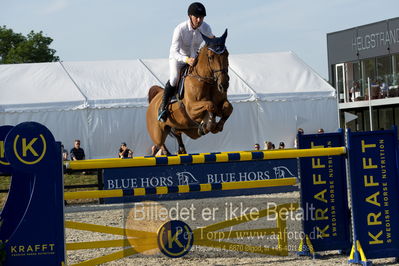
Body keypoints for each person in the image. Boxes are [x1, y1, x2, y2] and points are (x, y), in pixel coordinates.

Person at [158, 2, 214, 122]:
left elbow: (211, 41)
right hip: (179, 58)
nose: (199, 20)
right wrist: (186, 59)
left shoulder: (206, 27)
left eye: (201, 17)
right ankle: (163, 107)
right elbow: (174, 51)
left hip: (195, 58)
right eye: (196, 17)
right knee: (174, 79)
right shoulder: (180, 29)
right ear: (190, 16)